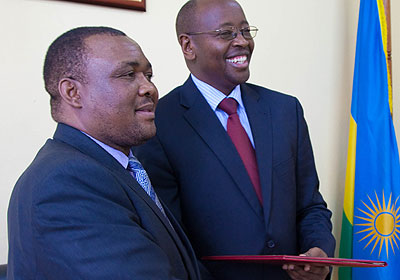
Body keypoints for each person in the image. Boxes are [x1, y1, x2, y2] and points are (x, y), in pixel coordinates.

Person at [134, 1, 336, 279]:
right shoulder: (159, 123)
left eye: (245, 31)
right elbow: (171, 238)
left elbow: (310, 205)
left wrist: (319, 250)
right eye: (226, 33)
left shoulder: (285, 110)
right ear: (188, 46)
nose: (242, 41)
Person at [7, 26, 201, 280]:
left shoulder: (111, 166)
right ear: (72, 92)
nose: (149, 89)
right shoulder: (67, 182)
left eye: (149, 75)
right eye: (128, 74)